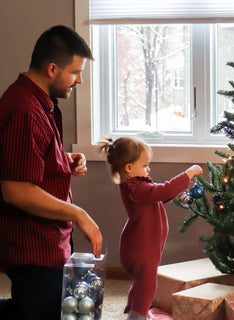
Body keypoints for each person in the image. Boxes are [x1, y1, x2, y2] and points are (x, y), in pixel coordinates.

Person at [0, 25, 103, 320]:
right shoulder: (24, 110)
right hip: (33, 247)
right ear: (52, 69)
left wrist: (62, 159)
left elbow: (26, 158)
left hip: (49, 239)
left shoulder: (39, 103)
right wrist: (79, 214)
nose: (80, 80)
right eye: (75, 72)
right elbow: (16, 190)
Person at [98, 136, 203, 320]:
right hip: (141, 250)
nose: (149, 168)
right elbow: (165, 189)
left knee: (141, 284)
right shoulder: (136, 189)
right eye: (145, 165)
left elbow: (160, 195)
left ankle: (136, 310)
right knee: (148, 286)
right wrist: (189, 174)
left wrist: (172, 191)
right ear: (129, 168)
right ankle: (137, 316)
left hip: (142, 247)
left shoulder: (138, 186)